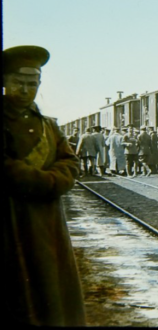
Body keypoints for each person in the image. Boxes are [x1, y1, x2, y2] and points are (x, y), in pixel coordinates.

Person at [2, 45, 86, 326]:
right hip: (12, 220)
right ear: (5, 82)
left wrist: (54, 180)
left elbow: (71, 162)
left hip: (49, 223)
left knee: (51, 290)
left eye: (32, 84)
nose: (25, 90)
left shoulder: (50, 126)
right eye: (18, 83)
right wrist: (48, 182)